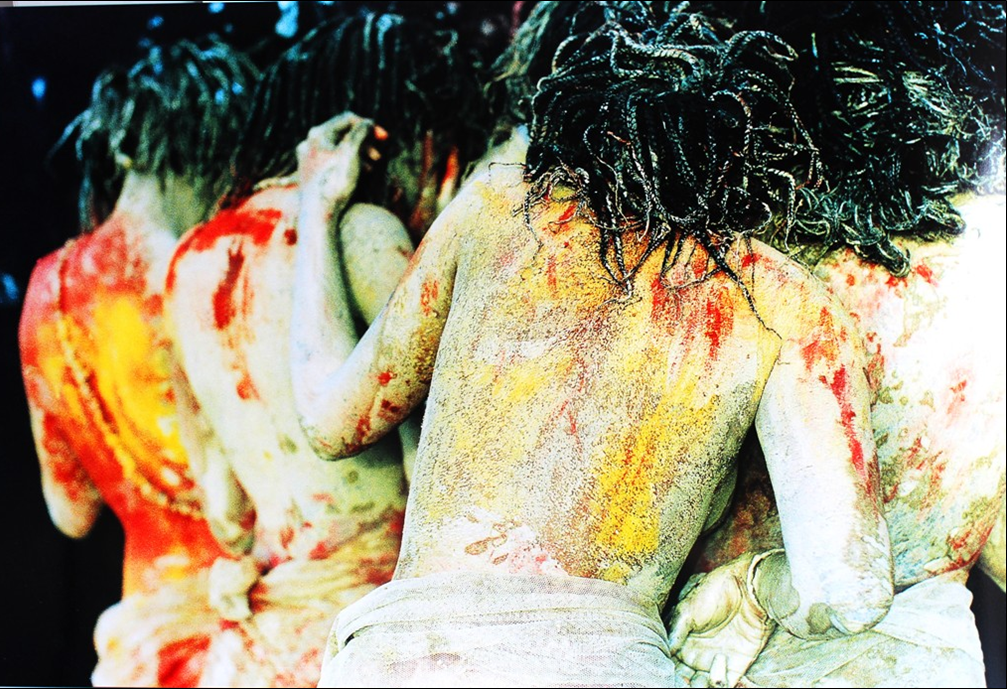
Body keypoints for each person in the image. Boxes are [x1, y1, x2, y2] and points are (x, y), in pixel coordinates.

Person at [289, 4, 894, 686]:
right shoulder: (787, 301)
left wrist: (318, 203)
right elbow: (849, 592)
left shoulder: (497, 208)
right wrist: (753, 585)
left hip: (401, 661)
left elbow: (329, 423)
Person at [669, 2, 1006, 686]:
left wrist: (754, 586)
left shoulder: (761, 260)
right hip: (928, 661)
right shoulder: (992, 252)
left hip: (741, 655)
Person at [164, 11, 490, 687]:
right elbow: (439, 471)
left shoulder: (190, 260)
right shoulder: (366, 233)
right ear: (382, 132)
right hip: (366, 633)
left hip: (259, 641)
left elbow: (223, 507)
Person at [17, 39, 255, 687]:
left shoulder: (48, 291)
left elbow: (71, 512)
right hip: (251, 621)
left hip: (143, 642)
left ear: (122, 148)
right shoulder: (223, 268)